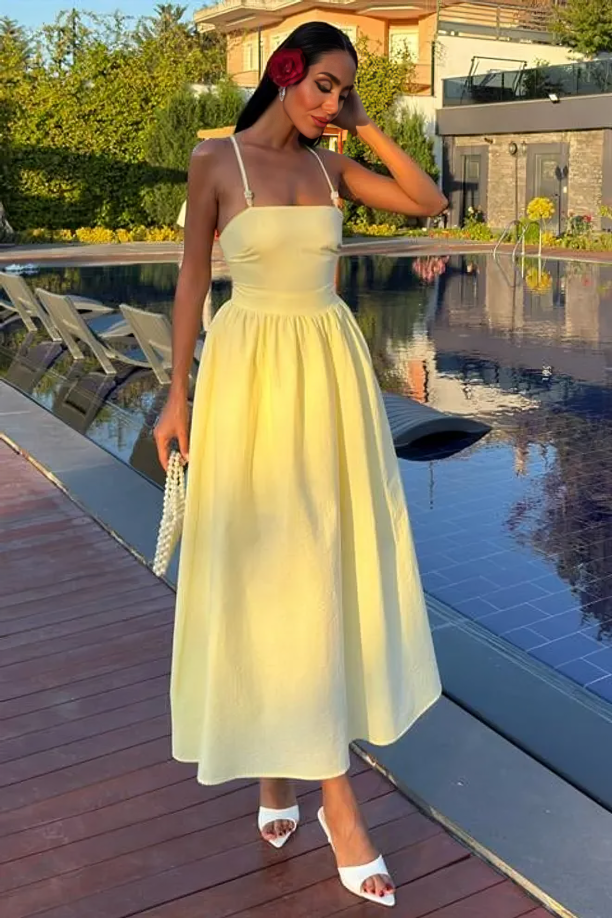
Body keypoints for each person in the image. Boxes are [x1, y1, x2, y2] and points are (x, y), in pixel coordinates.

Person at [154, 21, 446, 908]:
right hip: (247, 379)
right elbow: (192, 282)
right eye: (324, 85)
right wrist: (177, 395)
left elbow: (428, 203)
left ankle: (300, 782)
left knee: (318, 567)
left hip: (327, 378)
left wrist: (364, 124)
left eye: (343, 90)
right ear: (285, 73)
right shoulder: (216, 161)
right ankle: (318, 793)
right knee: (266, 570)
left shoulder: (332, 169)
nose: (333, 102)